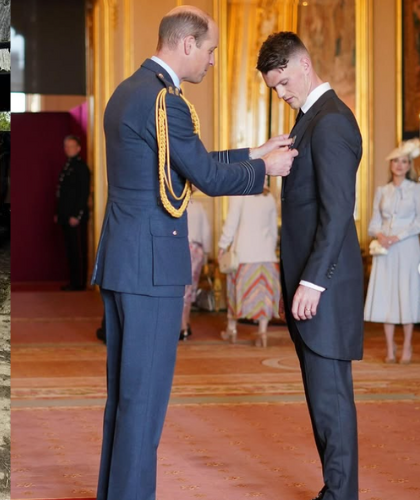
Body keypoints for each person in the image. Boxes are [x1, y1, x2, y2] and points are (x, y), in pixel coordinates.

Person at [90, 7, 297, 499]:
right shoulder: (167, 101)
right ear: (187, 44)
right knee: (144, 403)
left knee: (125, 398)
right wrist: (266, 169)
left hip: (123, 260)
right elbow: (203, 175)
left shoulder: (129, 91)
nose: (211, 60)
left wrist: (253, 152)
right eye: (210, 50)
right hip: (153, 267)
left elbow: (185, 159)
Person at [258, 32, 364, 500]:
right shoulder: (307, 121)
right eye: (274, 88)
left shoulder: (331, 121)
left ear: (303, 64)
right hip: (308, 286)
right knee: (322, 402)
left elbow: (338, 212)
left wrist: (313, 283)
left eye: (283, 83)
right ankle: (335, 490)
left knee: (331, 401)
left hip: (325, 289)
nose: (281, 93)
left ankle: (341, 495)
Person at [364, 140, 420, 363]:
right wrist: (381, 235)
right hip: (385, 250)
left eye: (404, 162)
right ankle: (390, 348)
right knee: (387, 294)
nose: (399, 165)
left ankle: (407, 345)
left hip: (407, 248)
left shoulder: (416, 189)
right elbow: (373, 223)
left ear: (409, 166)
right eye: (396, 161)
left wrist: (396, 237)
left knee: (407, 292)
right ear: (390, 164)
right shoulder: (382, 191)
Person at [217, 188, 280, 347]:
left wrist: (223, 245)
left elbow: (231, 222)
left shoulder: (239, 194)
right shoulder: (269, 197)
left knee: (235, 293)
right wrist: (270, 248)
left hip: (243, 255)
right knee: (264, 296)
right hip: (266, 256)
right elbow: (273, 230)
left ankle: (232, 329)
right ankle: (262, 332)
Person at [55, 135, 91, 291]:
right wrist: (59, 213)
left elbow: (83, 194)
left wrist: (77, 215)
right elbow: (62, 194)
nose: (68, 149)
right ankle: (74, 281)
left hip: (76, 218)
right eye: (66, 146)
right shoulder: (68, 166)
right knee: (70, 250)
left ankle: (79, 283)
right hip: (66, 216)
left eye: (71, 146)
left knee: (78, 251)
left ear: (78, 148)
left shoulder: (81, 168)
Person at [180, 189, 212, 340]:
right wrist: (206, 255)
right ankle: (185, 324)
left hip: (179, 247)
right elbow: (206, 232)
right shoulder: (198, 207)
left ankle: (182, 325)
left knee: (180, 288)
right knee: (190, 288)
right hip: (196, 250)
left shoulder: (174, 204)